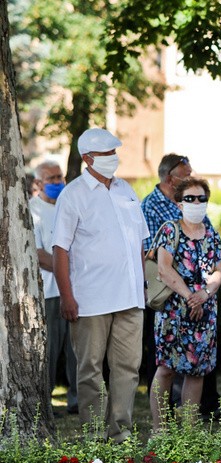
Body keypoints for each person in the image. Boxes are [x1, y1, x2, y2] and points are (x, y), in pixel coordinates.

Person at [52, 127, 147, 442]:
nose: (113, 159)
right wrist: (67, 297)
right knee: (90, 370)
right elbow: (60, 250)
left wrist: (143, 286)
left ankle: (120, 432)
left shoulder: (126, 190)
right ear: (87, 158)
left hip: (130, 299)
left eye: (114, 152)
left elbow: (140, 245)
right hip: (90, 300)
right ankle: (93, 435)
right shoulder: (73, 195)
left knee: (128, 369)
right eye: (106, 154)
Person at [140, 153, 221, 419]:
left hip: (204, 309)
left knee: (197, 369)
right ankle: (161, 430)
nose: (196, 203)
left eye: (201, 198)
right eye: (190, 198)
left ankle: (188, 430)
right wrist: (190, 296)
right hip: (174, 310)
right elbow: (163, 269)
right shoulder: (169, 230)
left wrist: (204, 294)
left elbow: (218, 270)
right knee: (166, 368)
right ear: (179, 202)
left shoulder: (211, 233)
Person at [30, 160, 78, 414]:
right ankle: (44, 404)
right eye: (52, 179)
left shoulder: (68, 207)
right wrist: (67, 272)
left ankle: (77, 400)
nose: (58, 183)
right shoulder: (31, 210)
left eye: (60, 178)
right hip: (49, 292)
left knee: (77, 350)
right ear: (38, 183)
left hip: (76, 290)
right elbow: (38, 254)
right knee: (49, 352)